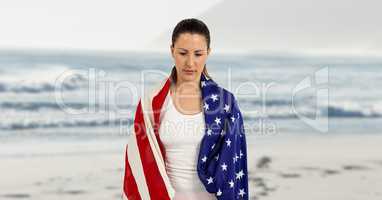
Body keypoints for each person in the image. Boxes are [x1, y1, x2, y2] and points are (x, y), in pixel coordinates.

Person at [123, 18, 248, 200]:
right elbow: (139, 164)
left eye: (198, 54)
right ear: (172, 50)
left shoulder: (226, 103)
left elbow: (235, 167)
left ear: (208, 53)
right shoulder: (152, 101)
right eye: (183, 53)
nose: (190, 63)